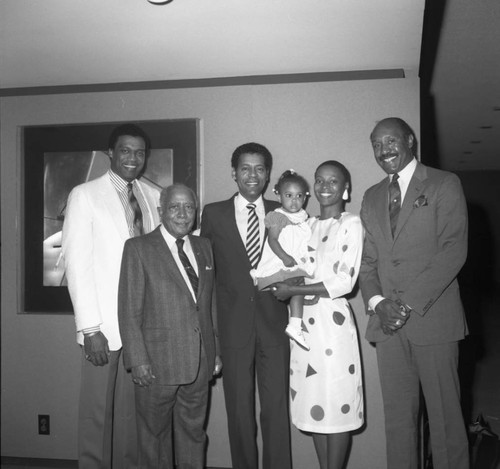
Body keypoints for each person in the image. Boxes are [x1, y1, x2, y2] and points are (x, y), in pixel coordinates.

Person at [359, 117, 469, 469]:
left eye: (391, 141)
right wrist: (377, 303)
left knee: (445, 421)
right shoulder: (372, 196)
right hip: (388, 327)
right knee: (398, 422)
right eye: (376, 144)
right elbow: (368, 261)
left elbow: (454, 250)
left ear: (410, 140)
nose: (384, 149)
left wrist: (402, 304)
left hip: (432, 319)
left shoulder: (442, 183)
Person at [62, 123, 160, 468]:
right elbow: (77, 266)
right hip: (103, 325)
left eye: (139, 152)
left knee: (133, 416)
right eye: (125, 150)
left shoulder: (153, 196)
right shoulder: (85, 195)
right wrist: (90, 329)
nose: (133, 158)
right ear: (110, 153)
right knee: (97, 414)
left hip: (144, 324)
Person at [200, 143, 292, 469]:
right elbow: (206, 275)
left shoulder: (283, 213)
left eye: (259, 169)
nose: (252, 175)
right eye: (245, 168)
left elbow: (297, 264)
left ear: (268, 175)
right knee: (239, 411)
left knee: (277, 407)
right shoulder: (213, 213)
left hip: (276, 324)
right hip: (232, 326)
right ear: (234, 173)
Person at [117, 184, 222, 468]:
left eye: (189, 207)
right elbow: (129, 310)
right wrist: (137, 359)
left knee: (193, 434)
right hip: (157, 363)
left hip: (200, 360)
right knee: (154, 438)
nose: (182, 214)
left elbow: (209, 303)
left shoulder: (204, 247)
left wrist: (215, 350)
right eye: (174, 207)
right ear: (161, 211)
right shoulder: (138, 248)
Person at [271, 160, 364, 469]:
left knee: (335, 407)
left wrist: (293, 292)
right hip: (303, 328)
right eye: (320, 180)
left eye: (333, 180)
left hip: (332, 327)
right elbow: (291, 266)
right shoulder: (305, 224)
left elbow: (344, 282)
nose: (325, 185)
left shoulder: (349, 223)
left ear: (345, 188)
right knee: (315, 406)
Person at [250, 169, 314, 350]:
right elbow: (272, 240)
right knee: (298, 287)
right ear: (279, 197)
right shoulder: (278, 216)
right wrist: (284, 256)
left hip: (292, 263)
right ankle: (295, 325)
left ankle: (295, 324)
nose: (294, 200)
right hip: (279, 263)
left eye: (299, 196)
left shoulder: (302, 217)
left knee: (298, 288)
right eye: (289, 195)